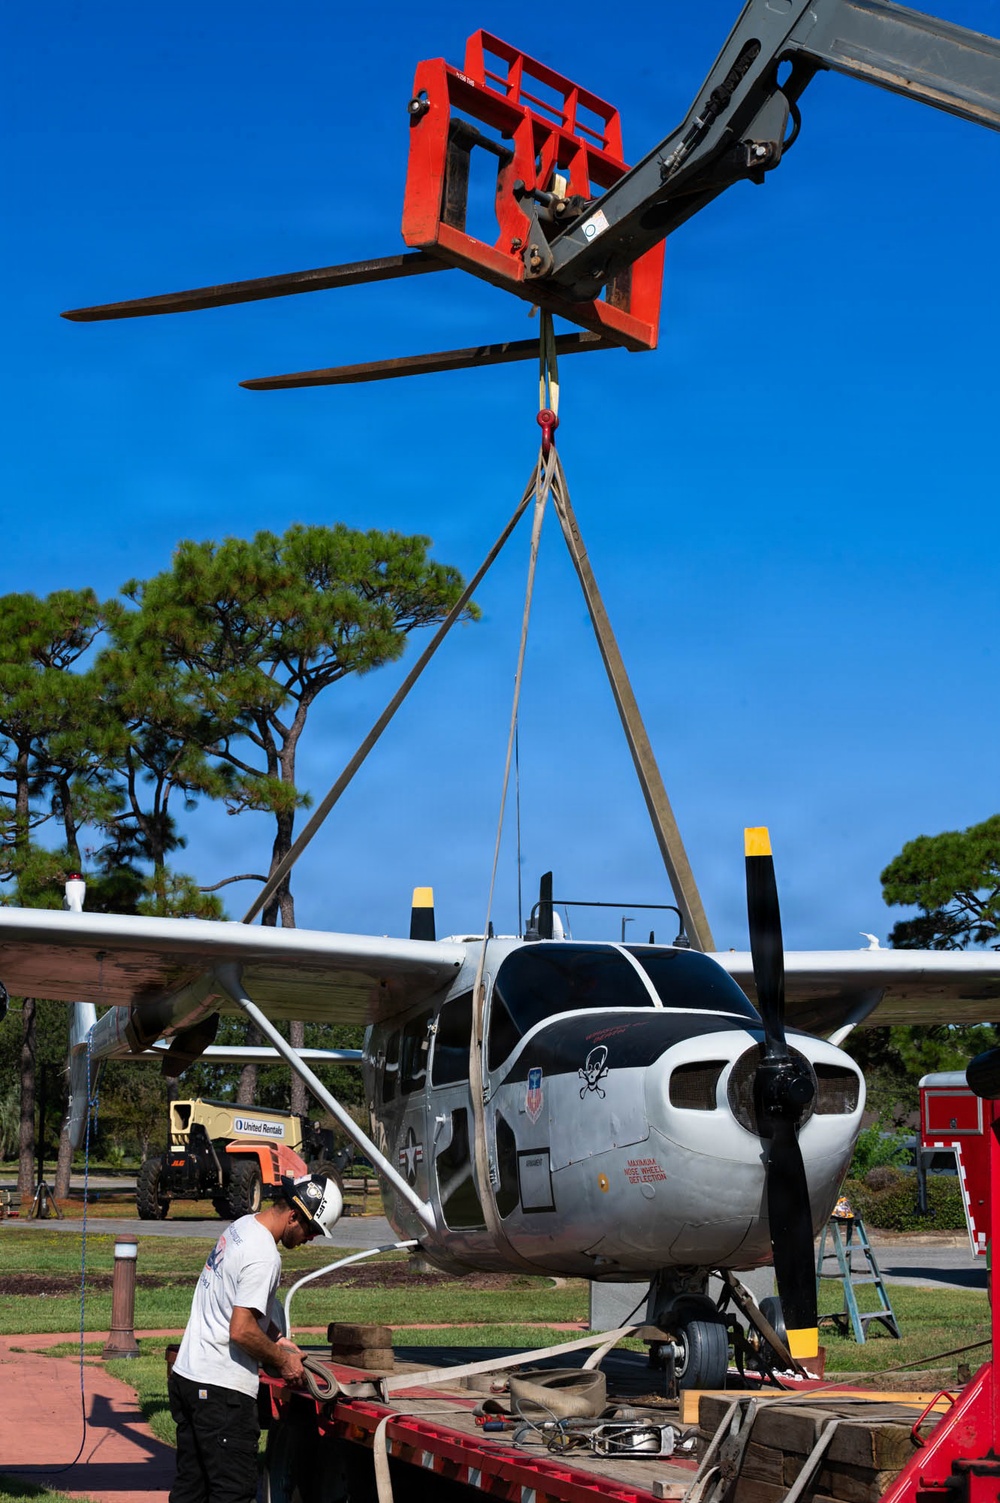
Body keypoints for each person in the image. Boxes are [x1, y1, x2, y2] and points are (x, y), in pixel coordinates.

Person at [169, 1171, 343, 1503]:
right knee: (233, 1493)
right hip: (222, 1393)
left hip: (189, 1378)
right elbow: (242, 1331)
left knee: (191, 1490)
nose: (311, 1239)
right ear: (294, 1215)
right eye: (311, 1230)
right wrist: (283, 1362)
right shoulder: (265, 1255)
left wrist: (277, 1338)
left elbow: (236, 1304)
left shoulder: (242, 1227)